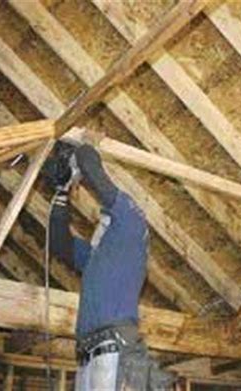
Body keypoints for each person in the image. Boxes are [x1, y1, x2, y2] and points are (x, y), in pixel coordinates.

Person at [43, 136, 173, 390]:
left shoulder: (132, 228)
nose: (97, 226)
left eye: (103, 220)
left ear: (113, 222)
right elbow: (58, 243)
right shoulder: (94, 256)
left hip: (115, 350)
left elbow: (95, 174)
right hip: (88, 356)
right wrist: (61, 192)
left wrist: (80, 148)